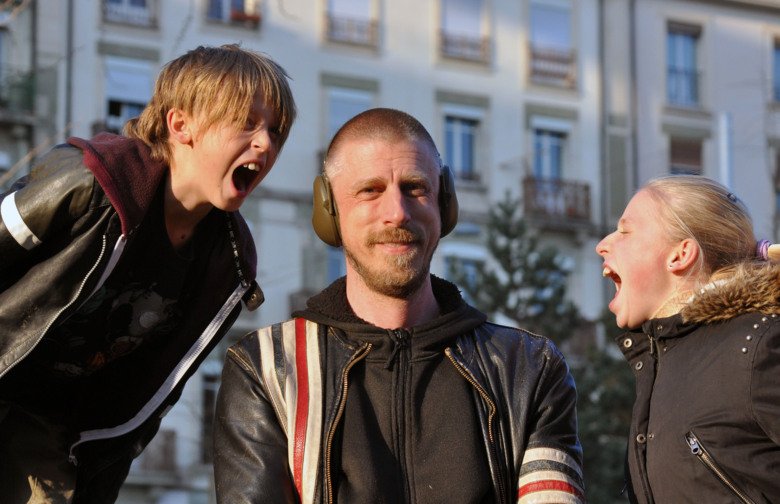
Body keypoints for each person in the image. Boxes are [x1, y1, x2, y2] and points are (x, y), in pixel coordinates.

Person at [213, 107, 584, 504]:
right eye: (370, 190)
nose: (397, 213)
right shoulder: (268, 368)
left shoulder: (528, 368)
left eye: (415, 188)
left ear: (445, 204)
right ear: (329, 212)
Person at [0, 44, 296, 502]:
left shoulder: (228, 265)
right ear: (181, 125)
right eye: (246, 123)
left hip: (52, 430)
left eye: (275, 131)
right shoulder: (91, 184)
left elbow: (150, 394)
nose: (265, 144)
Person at [596, 175, 780, 503]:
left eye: (625, 230)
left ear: (680, 255)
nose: (603, 244)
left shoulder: (759, 345)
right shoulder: (659, 364)